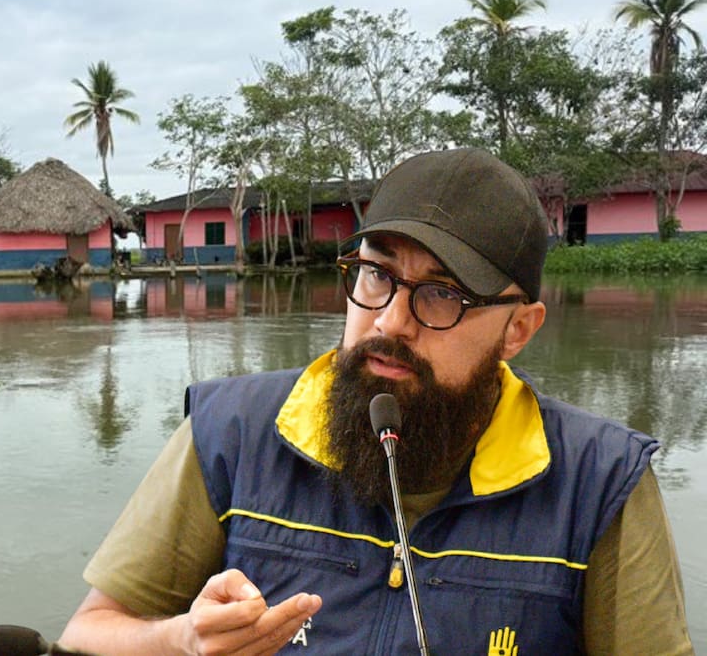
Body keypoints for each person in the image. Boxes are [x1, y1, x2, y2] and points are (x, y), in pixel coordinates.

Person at [57, 148, 693, 655]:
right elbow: (87, 635)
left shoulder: (600, 481)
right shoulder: (234, 433)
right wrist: (183, 642)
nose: (390, 322)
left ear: (518, 329)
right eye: (377, 274)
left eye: (442, 294)